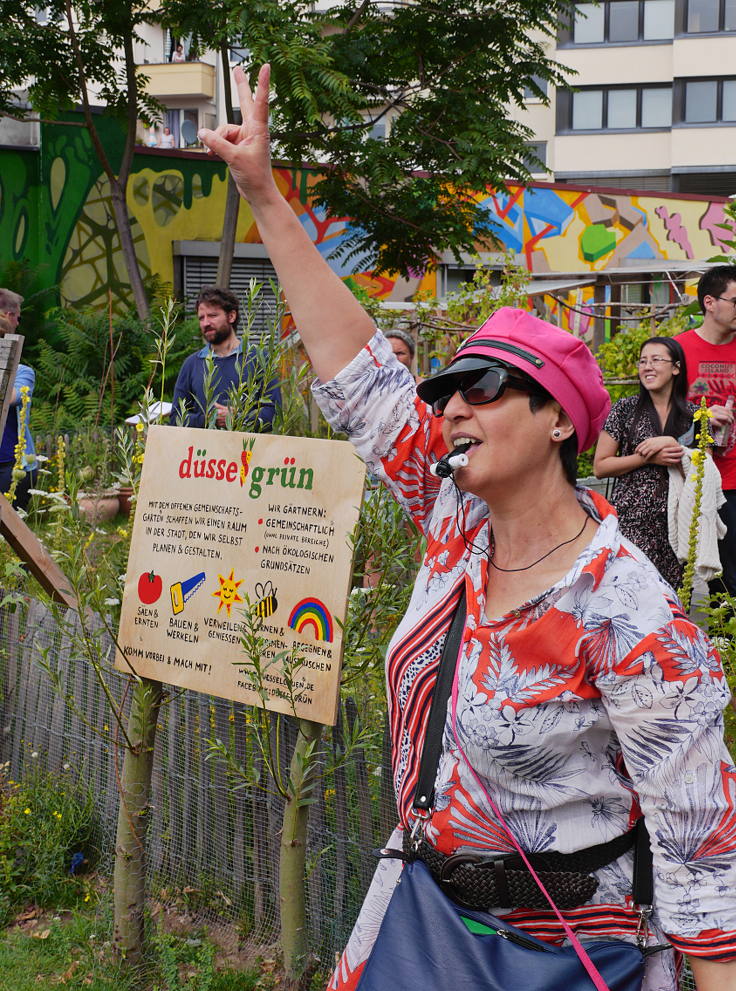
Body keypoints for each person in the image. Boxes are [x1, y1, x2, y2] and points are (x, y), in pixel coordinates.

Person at [199, 64, 736, 991]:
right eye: (446, 390)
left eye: (484, 388)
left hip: (565, 954)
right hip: (423, 918)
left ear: (563, 419)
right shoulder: (456, 521)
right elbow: (359, 370)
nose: (452, 406)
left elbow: (702, 858)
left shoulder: (629, 609)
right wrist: (264, 195)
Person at [593, 336, 695, 588]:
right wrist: (645, 457)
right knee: (630, 596)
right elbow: (600, 466)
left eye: (656, 360)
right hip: (632, 523)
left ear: (675, 368)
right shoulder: (625, 409)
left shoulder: (693, 415)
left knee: (676, 602)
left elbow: (705, 469)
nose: (647, 366)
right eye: (642, 361)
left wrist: (668, 441)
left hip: (679, 527)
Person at [678, 265, 736, 596]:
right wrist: (700, 414)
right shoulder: (677, 351)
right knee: (718, 581)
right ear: (710, 303)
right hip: (701, 478)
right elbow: (657, 413)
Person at [170, 286, 280, 430]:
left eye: (212, 316)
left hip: (247, 451)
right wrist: (208, 420)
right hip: (202, 451)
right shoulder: (192, 364)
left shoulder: (259, 359)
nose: (205, 323)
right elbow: (175, 418)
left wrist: (239, 418)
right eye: (201, 318)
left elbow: (274, 413)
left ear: (231, 316)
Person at [0, 289, 38, 511]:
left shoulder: (23, 372)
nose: (18, 323)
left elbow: (8, 397)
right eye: (17, 317)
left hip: (12, 466)